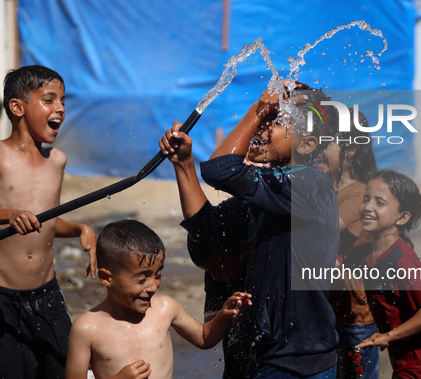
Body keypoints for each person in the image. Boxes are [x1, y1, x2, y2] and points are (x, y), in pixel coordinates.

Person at [159, 79, 341, 378]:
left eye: (276, 121)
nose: (261, 127)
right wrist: (184, 164)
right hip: (265, 353)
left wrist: (258, 109)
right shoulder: (272, 193)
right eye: (265, 118)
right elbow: (208, 235)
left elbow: (221, 169)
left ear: (308, 145)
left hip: (296, 360)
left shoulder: (308, 186)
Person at [0, 65, 97, 379]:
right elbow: (17, 218)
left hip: (47, 295)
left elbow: (48, 223)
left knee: (65, 370)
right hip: (3, 298)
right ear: (17, 107)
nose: (61, 109)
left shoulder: (57, 160)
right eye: (49, 100)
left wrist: (81, 229)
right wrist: (8, 215)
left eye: (63, 102)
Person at [65, 219, 251, 379]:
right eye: (141, 279)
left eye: (158, 275)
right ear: (106, 278)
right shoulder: (86, 329)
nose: (153, 287)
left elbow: (204, 338)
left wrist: (224, 316)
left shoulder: (165, 308)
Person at [355, 170, 421, 378]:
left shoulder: (402, 260)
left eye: (379, 202)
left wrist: (387, 336)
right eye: (366, 199)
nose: (368, 207)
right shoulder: (367, 253)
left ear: (403, 217)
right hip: (407, 362)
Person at [317, 109, 380, 379]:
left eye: (325, 142)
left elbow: (322, 226)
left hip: (354, 318)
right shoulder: (327, 187)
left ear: (350, 149)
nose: (315, 148)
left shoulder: (361, 195)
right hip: (327, 311)